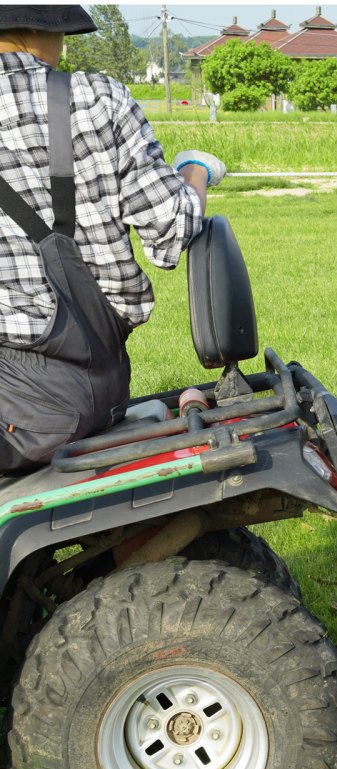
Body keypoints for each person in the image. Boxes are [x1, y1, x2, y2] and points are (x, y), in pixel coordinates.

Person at [0, 4, 226, 472]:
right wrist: (195, 171)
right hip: (97, 384)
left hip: (16, 406)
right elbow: (171, 230)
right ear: (41, 30)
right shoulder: (96, 99)